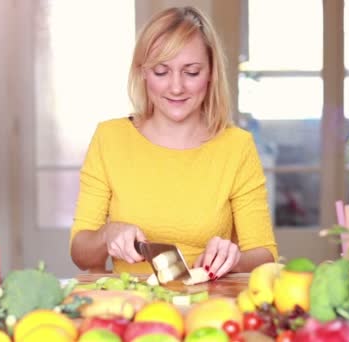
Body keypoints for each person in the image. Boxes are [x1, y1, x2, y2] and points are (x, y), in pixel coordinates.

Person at [70, 6, 277, 279]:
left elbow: (265, 254)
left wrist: (233, 259)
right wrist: (107, 235)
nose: (176, 87)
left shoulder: (236, 146)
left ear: (211, 73)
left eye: (191, 72)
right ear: (143, 72)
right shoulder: (109, 138)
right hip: (132, 303)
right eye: (161, 71)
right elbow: (80, 254)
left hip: (210, 304)